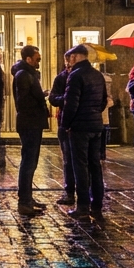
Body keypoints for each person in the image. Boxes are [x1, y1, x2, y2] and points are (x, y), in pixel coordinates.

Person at [61, 44, 107, 219]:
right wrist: (95, 113)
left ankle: (83, 206)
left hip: (80, 127)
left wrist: (66, 125)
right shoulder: (97, 75)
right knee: (95, 165)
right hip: (96, 125)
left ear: (75, 57)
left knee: (80, 166)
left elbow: (70, 104)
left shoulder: (75, 76)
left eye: (70, 58)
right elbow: (103, 101)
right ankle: (97, 205)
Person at [12, 45, 50, 215]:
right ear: (28, 59)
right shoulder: (24, 75)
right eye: (36, 59)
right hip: (30, 123)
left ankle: (27, 197)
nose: (39, 61)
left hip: (32, 121)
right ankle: (24, 201)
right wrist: (41, 97)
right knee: (28, 161)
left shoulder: (28, 74)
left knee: (31, 161)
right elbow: (24, 102)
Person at [49, 52, 76, 205]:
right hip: (65, 122)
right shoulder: (61, 78)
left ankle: (88, 193)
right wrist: (66, 99)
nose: (69, 63)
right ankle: (70, 192)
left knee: (88, 160)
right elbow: (53, 98)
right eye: (67, 60)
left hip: (83, 123)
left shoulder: (89, 76)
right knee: (68, 159)